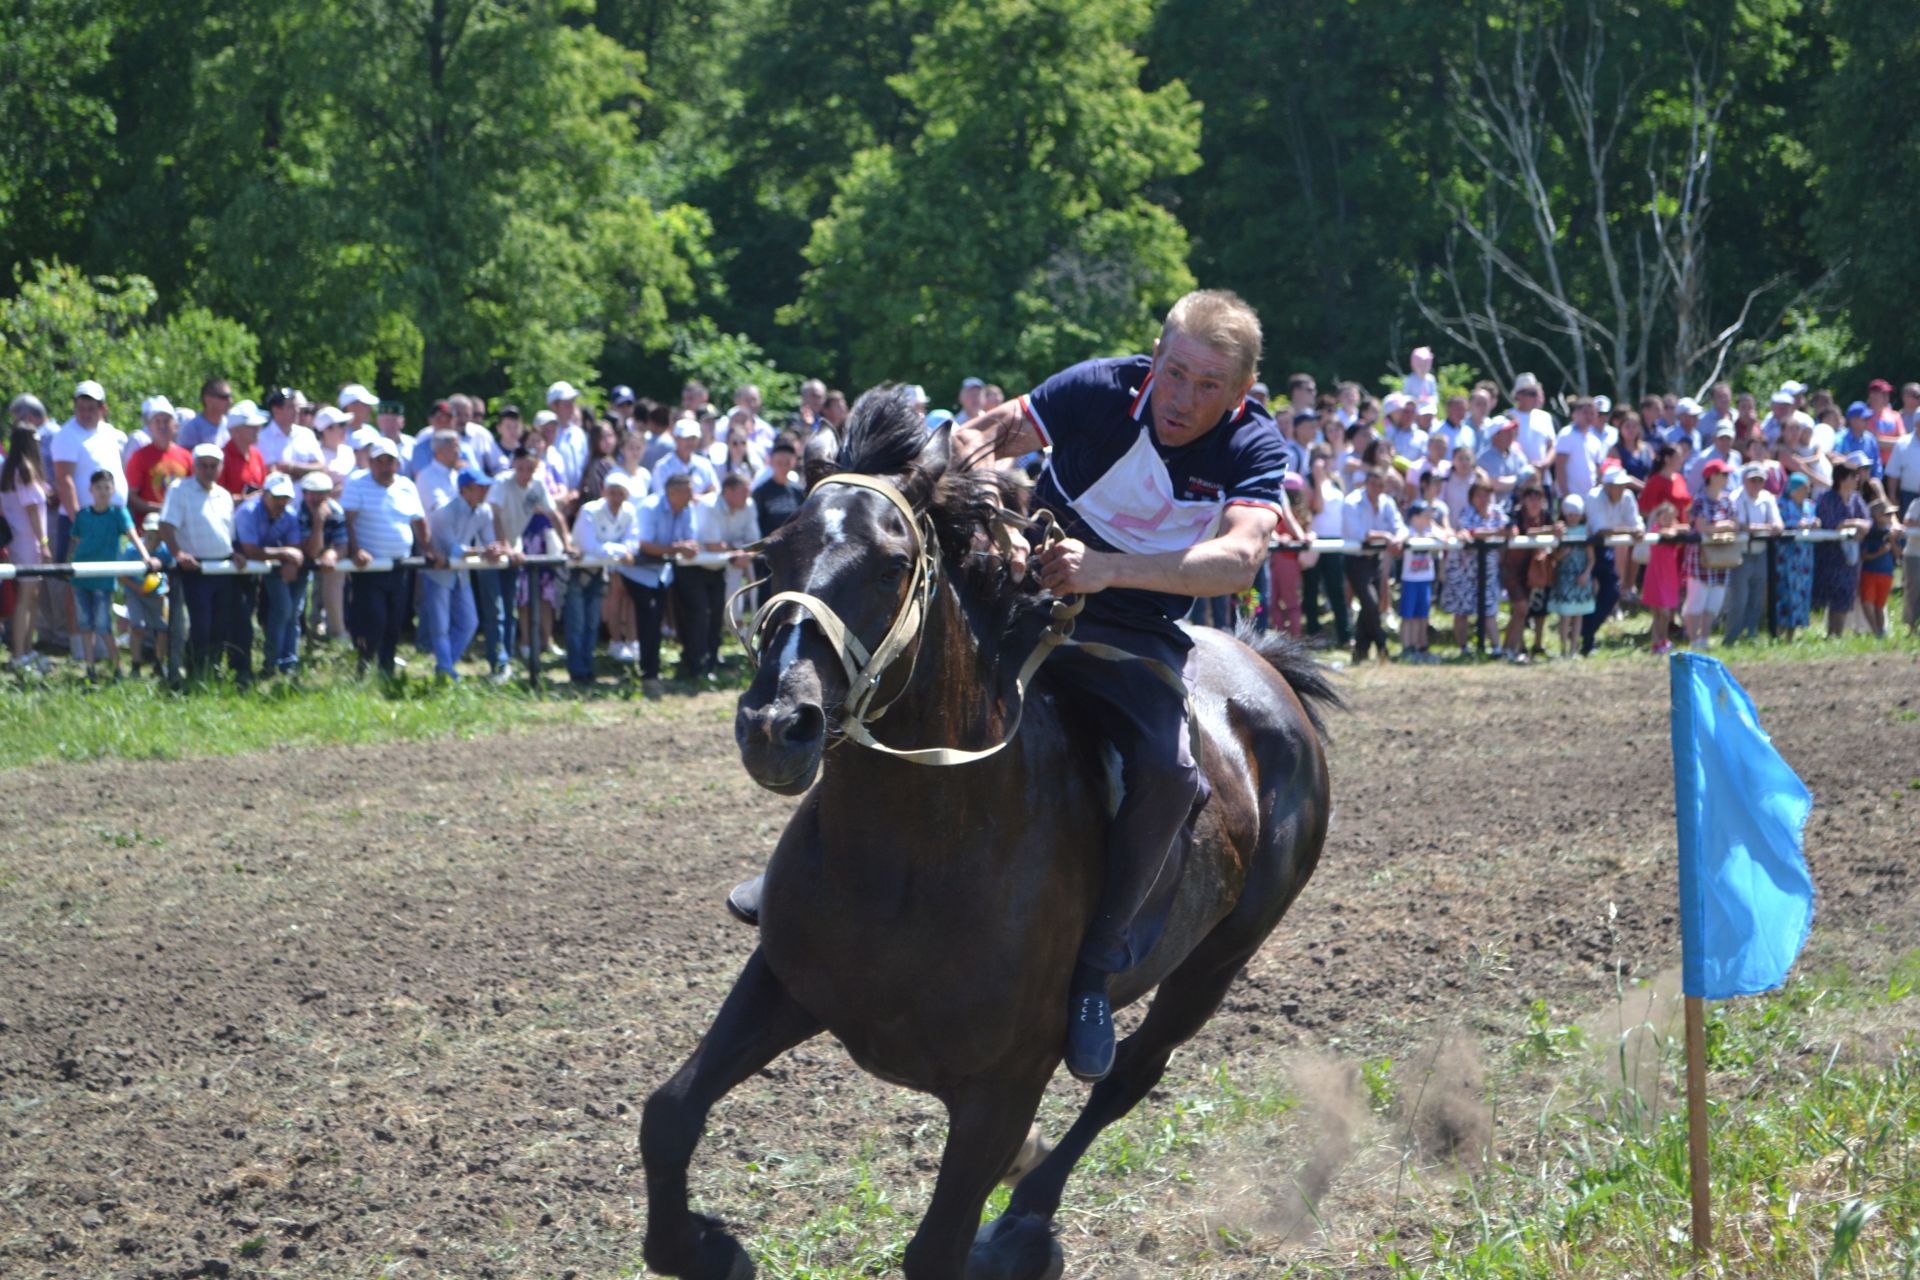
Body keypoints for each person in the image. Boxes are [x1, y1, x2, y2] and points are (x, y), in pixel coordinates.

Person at [752, 287, 1295, 1086]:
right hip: (1023, 596)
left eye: (1206, 386)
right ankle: (802, 879)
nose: (1181, 399)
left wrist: (1106, 569)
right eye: (1174, 373)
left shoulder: (1254, 445)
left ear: (1240, 393)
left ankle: (1095, 968)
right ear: (1156, 357)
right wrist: (973, 484)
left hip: (1137, 633)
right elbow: (986, 430)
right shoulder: (1102, 387)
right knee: (888, 682)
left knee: (1170, 770)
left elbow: (1242, 558)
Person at [342, 438, 433, 677]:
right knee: (373, 619)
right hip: (370, 567)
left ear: (397, 464)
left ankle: (386, 670)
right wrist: (355, 550)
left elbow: (419, 521)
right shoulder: (357, 482)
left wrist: (428, 548)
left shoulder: (406, 486)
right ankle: (364, 667)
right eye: (379, 461)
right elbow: (348, 521)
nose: (384, 466)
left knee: (394, 621)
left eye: (389, 461)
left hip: (400, 564)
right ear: (370, 463)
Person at [158, 444, 243, 678]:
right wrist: (178, 553)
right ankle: (196, 671)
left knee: (221, 624)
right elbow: (165, 525)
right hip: (195, 568)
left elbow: (230, 533)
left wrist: (235, 551)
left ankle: (213, 669)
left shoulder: (224, 495)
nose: (208, 470)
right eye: (203, 465)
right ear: (194, 467)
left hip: (223, 567)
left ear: (220, 467)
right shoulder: (179, 489)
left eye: (213, 466)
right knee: (200, 624)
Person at [421, 469, 507, 679]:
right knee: (440, 626)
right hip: (438, 574)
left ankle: (445, 667)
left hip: (460, 573)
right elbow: (453, 549)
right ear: (465, 490)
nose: (485, 491)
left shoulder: (484, 511)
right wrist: (484, 551)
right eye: (480, 487)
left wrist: (494, 549)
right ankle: (446, 669)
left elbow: (488, 541)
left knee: (469, 622)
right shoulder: (444, 513)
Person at [70, 469, 154, 678]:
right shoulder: (83, 515)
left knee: (103, 626)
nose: (103, 492)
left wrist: (145, 557)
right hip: (81, 578)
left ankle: (117, 668)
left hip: (103, 578)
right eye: (98, 487)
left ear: (113, 489)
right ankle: (90, 668)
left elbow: (132, 534)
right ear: (91, 490)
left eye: (107, 487)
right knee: (85, 626)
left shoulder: (118, 513)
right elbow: (76, 542)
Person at [627, 471, 699, 696]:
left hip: (662, 573)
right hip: (639, 573)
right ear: (673, 492)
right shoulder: (649, 508)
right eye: (687, 491)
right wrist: (677, 549)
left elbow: (690, 540)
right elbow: (644, 545)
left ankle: (672, 667)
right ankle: (649, 674)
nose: (692, 495)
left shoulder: (687, 510)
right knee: (649, 620)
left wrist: (685, 548)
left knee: (664, 618)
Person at [235, 472, 307, 676]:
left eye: (285, 497)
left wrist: (290, 559)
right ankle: (271, 662)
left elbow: (294, 546)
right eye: (277, 497)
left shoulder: (290, 514)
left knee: (290, 612)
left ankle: (284, 663)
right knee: (278, 610)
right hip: (240, 568)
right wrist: (285, 554)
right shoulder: (248, 511)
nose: (282, 502)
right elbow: (250, 550)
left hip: (271, 567)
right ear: (264, 494)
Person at [2, 408, 53, 673]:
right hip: (28, 542)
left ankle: (26, 649)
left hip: (19, 541)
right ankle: (20, 652)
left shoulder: (10, 471)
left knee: (31, 597)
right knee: (26, 598)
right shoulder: (25, 471)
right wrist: (44, 542)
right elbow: (33, 512)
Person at [1342, 465, 1405, 662]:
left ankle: (1360, 651)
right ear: (1367, 483)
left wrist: (1398, 539)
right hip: (1356, 559)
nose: (1377, 488)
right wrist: (1387, 536)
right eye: (1373, 484)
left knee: (1370, 607)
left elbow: (1400, 526)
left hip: (1375, 558)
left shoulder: (1386, 502)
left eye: (1380, 485)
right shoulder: (1352, 502)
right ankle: (1382, 645)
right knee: (1371, 603)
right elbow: (1359, 533)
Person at [1581, 465, 1644, 653]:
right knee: (1587, 594)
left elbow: (1636, 523)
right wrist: (1631, 531)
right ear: (1607, 486)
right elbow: (1601, 529)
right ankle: (1585, 637)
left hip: (1605, 549)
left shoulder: (1627, 497)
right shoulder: (1594, 497)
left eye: (1623, 485)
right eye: (1617, 485)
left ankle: (1587, 632)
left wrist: (1638, 531)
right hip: (1586, 550)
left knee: (1612, 592)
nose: (1621, 489)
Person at [1721, 463, 1783, 644]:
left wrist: (1764, 528)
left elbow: (1778, 525)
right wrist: (1765, 528)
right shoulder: (1736, 498)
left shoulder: (1767, 497)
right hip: (1741, 554)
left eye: (1760, 480)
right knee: (1739, 599)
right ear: (1744, 480)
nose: (1756, 484)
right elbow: (1740, 526)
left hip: (1761, 552)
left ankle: (1751, 635)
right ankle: (1731, 638)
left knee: (1757, 598)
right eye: (1752, 480)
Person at [1443, 481, 1505, 657]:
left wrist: (1498, 532)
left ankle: (1496, 649)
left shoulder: (1497, 512)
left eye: (1486, 495)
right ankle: (1464, 649)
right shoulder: (1467, 512)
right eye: (1479, 495)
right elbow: (1471, 532)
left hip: (1488, 570)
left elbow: (1510, 530)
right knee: (1461, 610)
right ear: (1471, 498)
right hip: (1464, 570)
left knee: (1489, 609)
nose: (1483, 499)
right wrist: (1494, 533)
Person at [1811, 458, 1872, 637]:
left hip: (1850, 557)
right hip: (1831, 556)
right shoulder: (1827, 498)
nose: (1857, 480)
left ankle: (1838, 633)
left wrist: (1861, 527)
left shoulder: (1856, 499)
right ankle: (1831, 633)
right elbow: (1830, 523)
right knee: (1833, 595)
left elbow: (1867, 520)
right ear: (1842, 479)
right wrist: (1853, 523)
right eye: (1854, 476)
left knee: (1846, 594)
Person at [1682, 459, 1738, 648]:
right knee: (1696, 601)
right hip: (1700, 558)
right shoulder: (1699, 500)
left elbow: (1735, 524)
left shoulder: (1727, 500)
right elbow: (1702, 526)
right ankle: (1694, 640)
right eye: (1723, 474)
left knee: (1714, 602)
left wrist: (1717, 527)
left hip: (1721, 556)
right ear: (1712, 477)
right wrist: (1723, 526)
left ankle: (1704, 638)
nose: (1727, 478)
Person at [1301, 446, 1349, 649]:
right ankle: (1314, 634)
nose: (1323, 462)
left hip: (1335, 541)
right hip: (1315, 542)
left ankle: (1345, 635)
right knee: (1311, 590)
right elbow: (1317, 507)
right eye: (1319, 458)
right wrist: (1318, 480)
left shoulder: (1337, 480)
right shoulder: (1308, 482)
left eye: (1326, 457)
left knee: (1336, 590)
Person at [295, 470, 348, 653]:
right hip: (300, 560)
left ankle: (336, 633)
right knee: (301, 596)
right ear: (304, 493)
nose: (316, 498)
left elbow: (342, 544)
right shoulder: (298, 512)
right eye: (311, 493)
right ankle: (304, 634)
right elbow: (310, 551)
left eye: (321, 493)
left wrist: (332, 554)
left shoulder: (336, 511)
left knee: (331, 582)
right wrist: (318, 521)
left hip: (325, 555)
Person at [1499, 481, 1553, 663]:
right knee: (1521, 608)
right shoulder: (1515, 515)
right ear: (1524, 500)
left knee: (1522, 611)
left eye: (1538, 498)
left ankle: (1511, 649)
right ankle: (1508, 648)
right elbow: (1521, 531)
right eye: (1531, 498)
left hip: (1530, 570)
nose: (1535, 502)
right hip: (1512, 570)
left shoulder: (1546, 516)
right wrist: (1550, 531)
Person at [1547, 494, 1594, 660]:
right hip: (1564, 577)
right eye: (1570, 514)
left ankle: (1574, 649)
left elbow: (1591, 557)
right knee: (1565, 615)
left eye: (1576, 514)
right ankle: (1563, 650)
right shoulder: (1561, 532)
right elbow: (1554, 557)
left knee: (1578, 615)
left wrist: (1586, 574)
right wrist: (1562, 552)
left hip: (1580, 577)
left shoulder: (1585, 532)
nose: (1573, 517)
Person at [1772, 473, 1816, 641]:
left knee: (1801, 592)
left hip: (1804, 557)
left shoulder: (1810, 506)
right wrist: (1795, 525)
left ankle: (1793, 633)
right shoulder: (1781, 505)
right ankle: (1778, 631)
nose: (1807, 491)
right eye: (1804, 488)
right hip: (1786, 557)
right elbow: (1780, 525)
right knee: (1784, 592)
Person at [1398, 501, 1438, 662]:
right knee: (1408, 616)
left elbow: (1446, 535)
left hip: (1425, 580)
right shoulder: (1407, 531)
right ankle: (1408, 647)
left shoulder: (1431, 531)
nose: (1429, 518)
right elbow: (1400, 537)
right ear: (1415, 517)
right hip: (1410, 580)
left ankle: (1422, 647)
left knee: (1423, 616)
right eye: (1425, 515)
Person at [1641, 501, 1683, 654]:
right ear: (1658, 517)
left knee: (1666, 614)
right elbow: (1668, 533)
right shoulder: (1655, 531)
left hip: (1669, 577)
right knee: (1660, 613)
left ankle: (1662, 640)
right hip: (1656, 576)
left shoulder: (1674, 533)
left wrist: (1676, 527)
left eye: (1671, 517)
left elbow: (1685, 530)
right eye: (1664, 516)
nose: (1667, 520)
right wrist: (1674, 528)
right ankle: (1657, 642)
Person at [1857, 499, 1897, 638]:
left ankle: (1881, 632)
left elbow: (1898, 553)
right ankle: (1875, 631)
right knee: (1867, 603)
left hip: (1887, 573)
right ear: (1875, 515)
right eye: (1886, 514)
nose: (1890, 517)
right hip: (1870, 572)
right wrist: (1879, 553)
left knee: (1880, 605)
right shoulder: (1870, 533)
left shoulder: (1891, 532)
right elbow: (1864, 556)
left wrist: (1892, 541)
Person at [176, 378, 234, 450]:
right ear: (208, 399)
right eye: (224, 397)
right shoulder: (192, 428)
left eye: (231, 396)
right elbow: (186, 459)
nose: (230, 401)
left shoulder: (231, 426)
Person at [1902, 491, 1920, 635]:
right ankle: (1912, 627)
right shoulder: (1916, 504)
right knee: (1913, 591)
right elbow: (1908, 522)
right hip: (1914, 554)